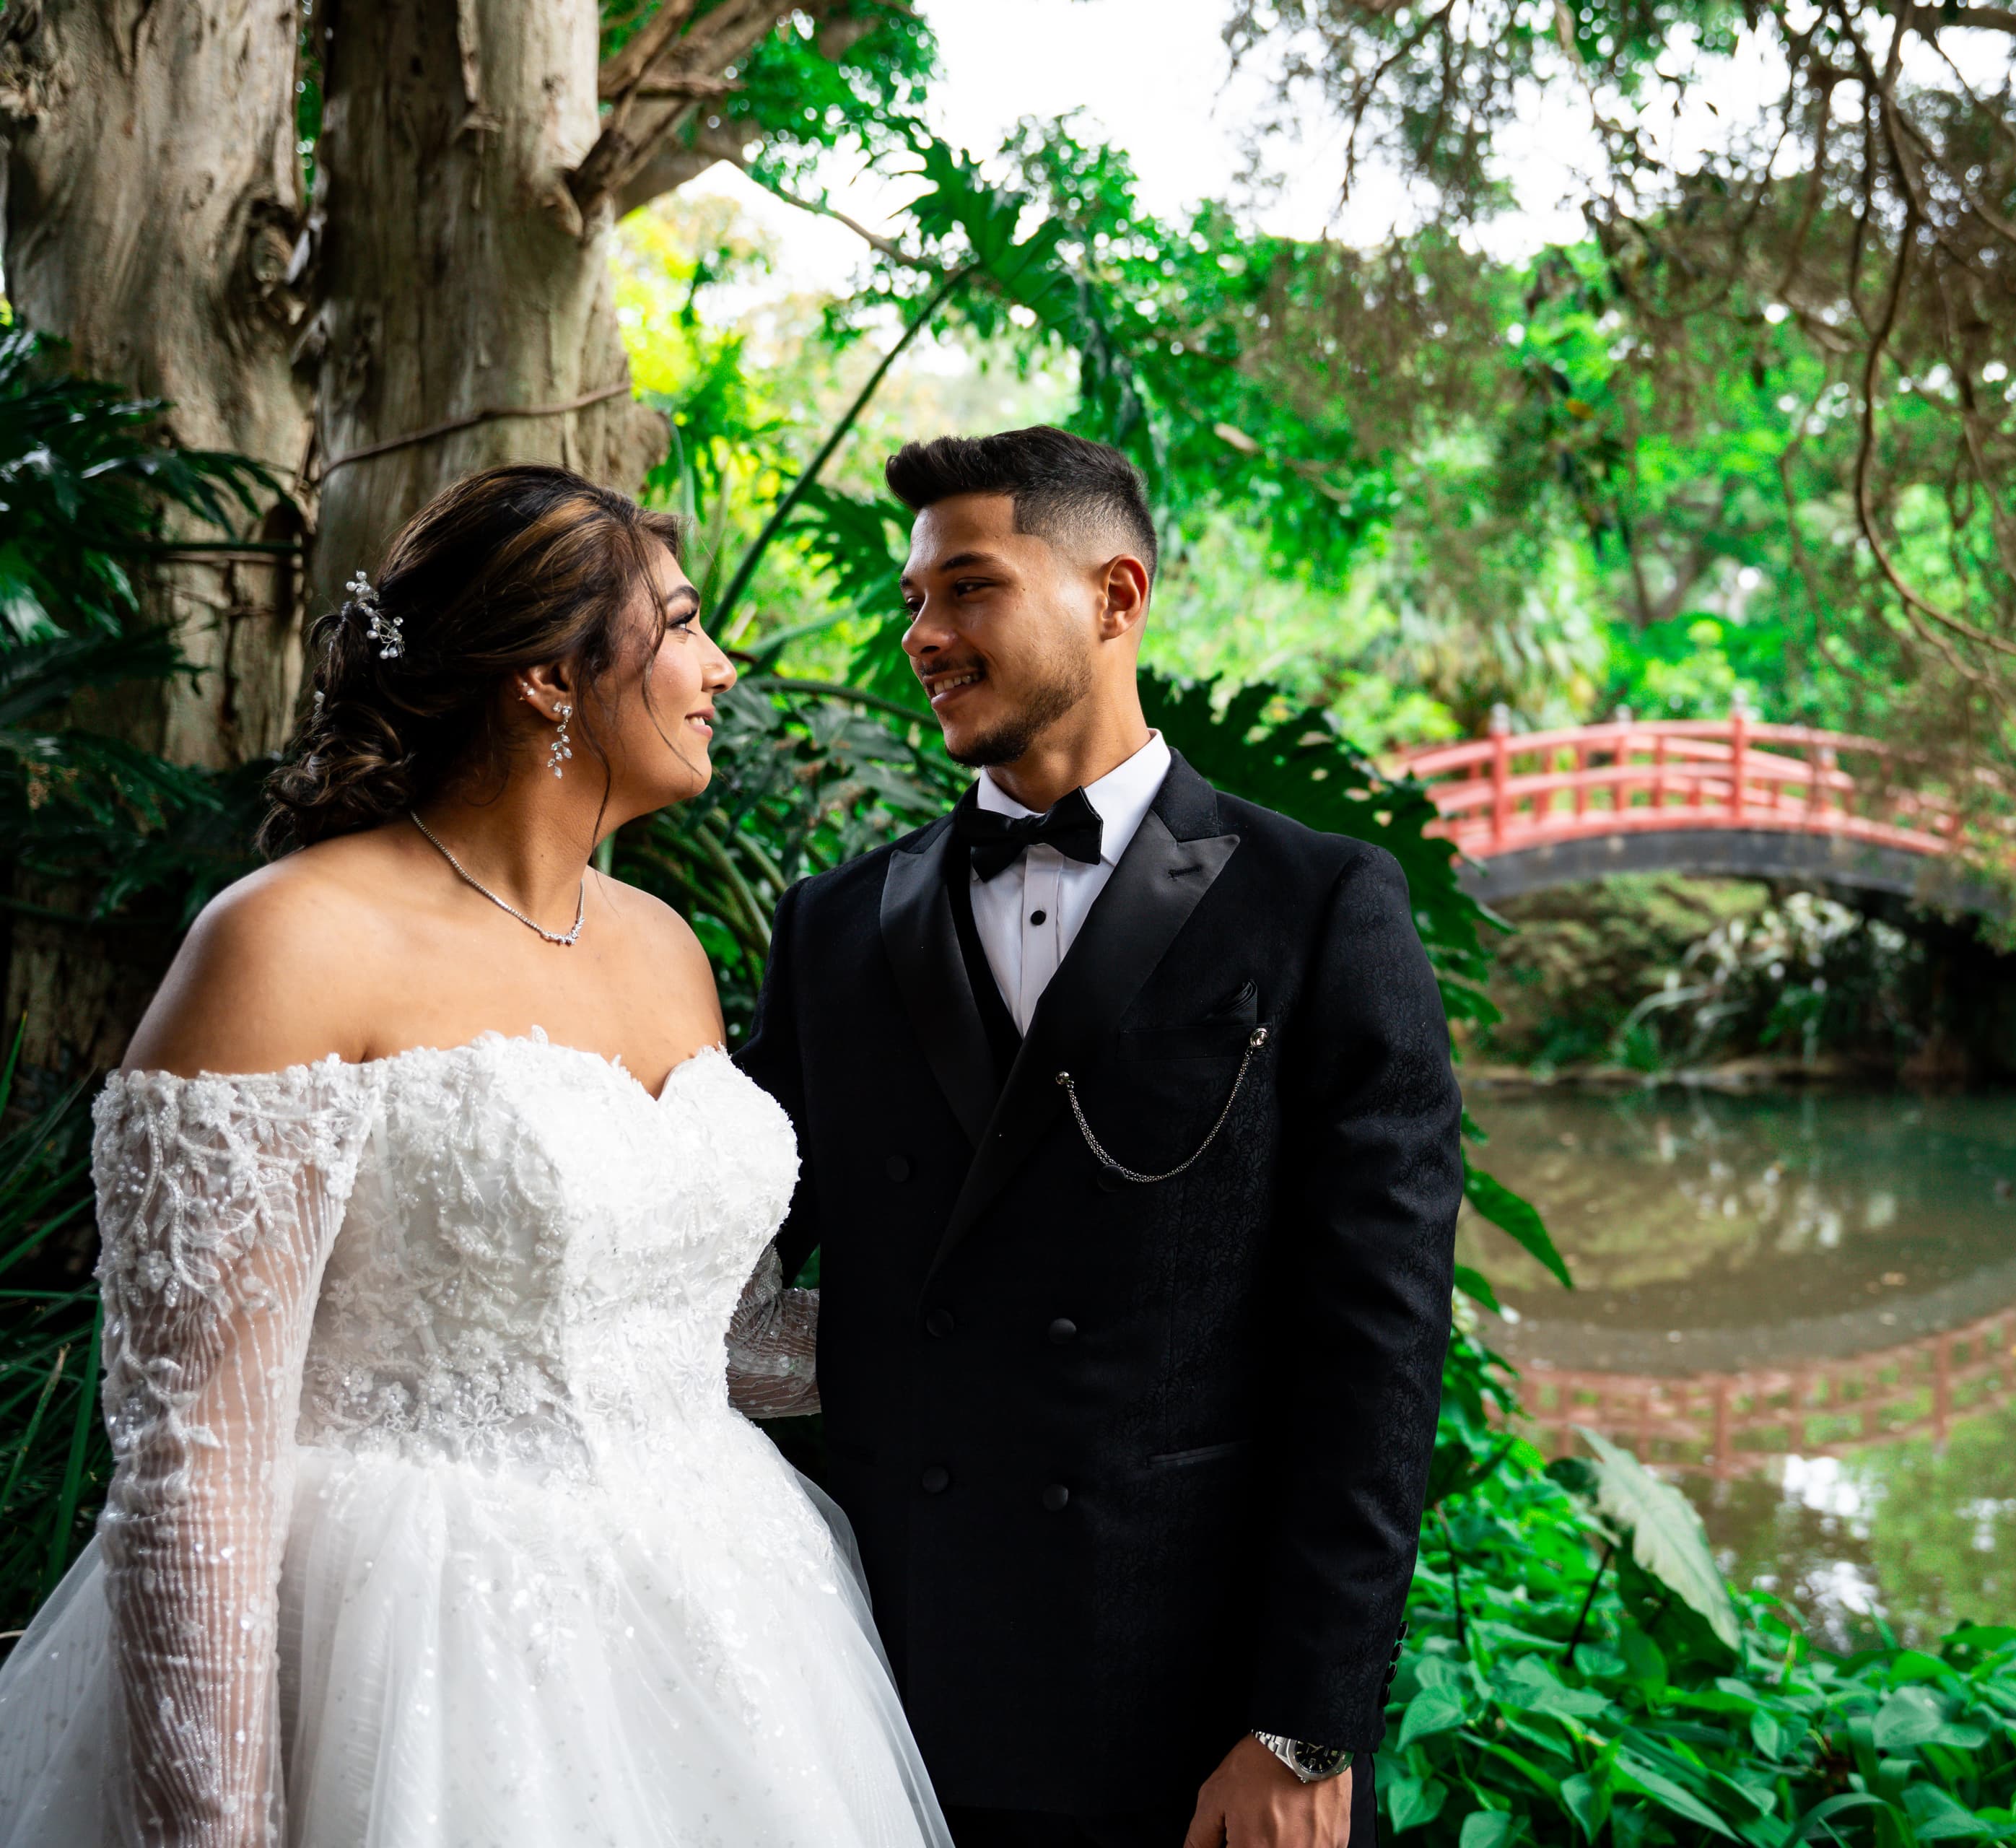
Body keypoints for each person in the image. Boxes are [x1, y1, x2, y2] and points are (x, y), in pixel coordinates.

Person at [0, 466, 952, 1848]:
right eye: (680, 625)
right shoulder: (288, 942)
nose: (719, 665)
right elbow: (192, 1449)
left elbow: (707, 1339)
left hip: (731, 1634)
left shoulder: (664, 947)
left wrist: (1002, 1326)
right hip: (408, 1653)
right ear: (546, 681)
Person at [733, 426, 1462, 1848]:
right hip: (886, 1693)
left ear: (1115, 596)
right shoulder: (833, 929)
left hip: (1196, 1718)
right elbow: (721, 1255)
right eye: (911, 601)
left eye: (967, 589)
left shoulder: (1319, 907)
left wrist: (1302, 1718)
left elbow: (1374, 1350)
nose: (922, 636)